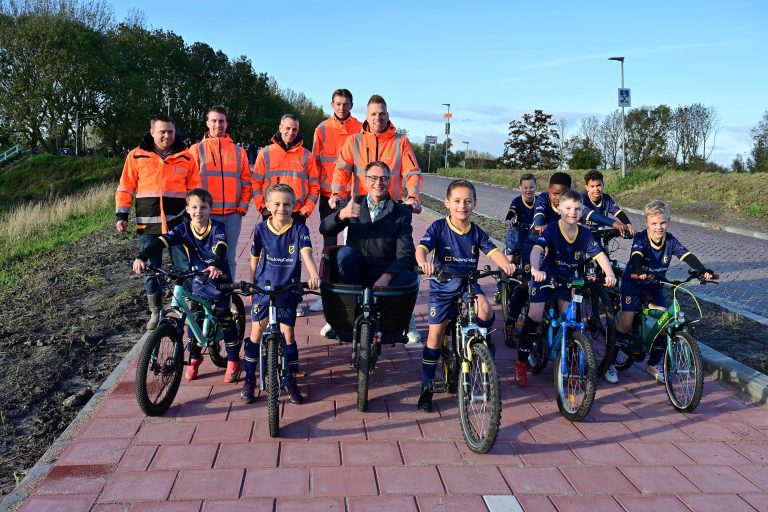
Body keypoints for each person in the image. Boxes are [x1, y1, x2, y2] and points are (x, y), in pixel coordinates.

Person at [328, 95, 423, 342]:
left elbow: (411, 171)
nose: (377, 118)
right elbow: (341, 168)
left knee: (401, 264)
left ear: (388, 115)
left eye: (381, 113)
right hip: (361, 210)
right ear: (366, 116)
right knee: (349, 258)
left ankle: (405, 319)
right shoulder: (355, 141)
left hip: (392, 213)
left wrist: (412, 196)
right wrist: (337, 194)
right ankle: (348, 315)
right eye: (373, 114)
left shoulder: (400, 141)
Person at [415, 179, 516, 412]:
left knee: (486, 310)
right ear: (447, 203)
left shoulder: (477, 231)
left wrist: (507, 266)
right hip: (443, 287)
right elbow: (422, 248)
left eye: (468, 201)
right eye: (458, 201)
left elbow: (493, 251)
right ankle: (426, 387)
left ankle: (482, 344)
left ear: (474, 204)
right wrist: (423, 261)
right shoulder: (439, 227)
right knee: (434, 337)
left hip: (469, 284)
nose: (463, 206)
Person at [132, 188, 242, 383]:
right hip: (198, 278)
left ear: (210, 209)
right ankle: (194, 357)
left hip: (218, 277)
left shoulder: (217, 228)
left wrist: (215, 263)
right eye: (194, 207)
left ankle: (233, 360)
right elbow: (162, 241)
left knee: (225, 317)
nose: (198, 211)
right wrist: (142, 256)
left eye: (203, 207)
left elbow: (221, 246)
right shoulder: (183, 228)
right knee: (193, 317)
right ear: (187, 209)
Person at [516, 189, 617, 387]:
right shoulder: (552, 229)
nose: (573, 212)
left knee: (571, 320)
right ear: (559, 209)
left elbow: (599, 255)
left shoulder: (585, 233)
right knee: (535, 315)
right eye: (568, 208)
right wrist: (535, 269)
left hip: (567, 280)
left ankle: (571, 364)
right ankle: (521, 362)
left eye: (577, 209)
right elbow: (537, 250)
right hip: (545, 276)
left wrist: (610, 273)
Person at [607, 200, 714, 384]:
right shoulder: (641, 238)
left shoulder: (670, 240)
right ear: (646, 222)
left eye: (663, 222)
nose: (659, 227)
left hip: (655, 285)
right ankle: (610, 363)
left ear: (669, 221)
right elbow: (637, 255)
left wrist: (702, 270)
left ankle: (654, 364)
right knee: (625, 323)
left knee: (665, 323)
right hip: (633, 284)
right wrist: (640, 270)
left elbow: (686, 255)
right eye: (654, 223)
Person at [116, 114, 201, 330]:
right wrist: (122, 215)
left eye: (170, 131)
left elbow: (194, 190)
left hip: (178, 224)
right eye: (162, 131)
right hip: (148, 225)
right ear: (152, 132)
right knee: (150, 268)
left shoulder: (186, 157)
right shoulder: (136, 156)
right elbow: (125, 187)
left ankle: (189, 308)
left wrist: (194, 216)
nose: (166, 136)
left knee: (184, 266)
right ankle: (156, 312)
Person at [241, 184, 321, 405]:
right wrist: (250, 281)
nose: (281, 208)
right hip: (264, 289)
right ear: (267, 206)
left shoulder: (299, 229)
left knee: (288, 334)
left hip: (288, 288)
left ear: (294, 206)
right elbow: (254, 258)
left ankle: (291, 379)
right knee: (257, 331)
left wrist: (314, 274)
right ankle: (249, 380)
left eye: (287, 204)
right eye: (276, 204)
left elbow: (306, 253)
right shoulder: (260, 229)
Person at [320, 161, 417, 288]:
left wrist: (387, 277)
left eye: (383, 178)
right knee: (345, 253)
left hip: (385, 274)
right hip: (355, 273)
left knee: (408, 277)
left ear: (389, 182)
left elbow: (405, 254)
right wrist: (342, 214)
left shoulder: (401, 213)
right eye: (373, 178)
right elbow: (324, 229)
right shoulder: (352, 204)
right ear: (365, 181)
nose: (378, 183)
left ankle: (385, 305)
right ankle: (352, 300)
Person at [309, 88, 363, 312]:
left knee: (356, 245)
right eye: (338, 104)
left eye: (345, 104)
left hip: (354, 194)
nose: (342, 108)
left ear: (351, 105)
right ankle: (326, 293)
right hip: (328, 195)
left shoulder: (360, 128)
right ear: (332, 105)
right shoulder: (322, 128)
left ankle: (354, 292)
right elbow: (315, 163)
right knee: (328, 245)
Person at [190, 106, 253, 281]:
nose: (218, 124)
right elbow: (189, 185)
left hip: (233, 214)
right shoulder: (196, 150)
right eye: (214, 120)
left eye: (222, 121)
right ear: (207, 123)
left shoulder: (239, 151)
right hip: (206, 215)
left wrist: (243, 206)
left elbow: (247, 181)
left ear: (227, 123)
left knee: (230, 258)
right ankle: (207, 297)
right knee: (205, 258)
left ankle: (229, 297)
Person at [501, 174, 537, 348]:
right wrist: (510, 219)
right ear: (520, 188)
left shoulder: (540, 202)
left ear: (536, 187)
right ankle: (504, 284)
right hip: (517, 237)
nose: (528, 190)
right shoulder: (517, 201)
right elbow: (512, 211)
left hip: (533, 241)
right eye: (525, 187)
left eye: (531, 187)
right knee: (508, 264)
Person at [581, 170, 635, 237]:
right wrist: (616, 224)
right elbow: (593, 215)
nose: (596, 189)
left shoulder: (607, 198)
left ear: (603, 184)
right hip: (583, 236)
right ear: (587, 187)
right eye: (592, 186)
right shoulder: (582, 199)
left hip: (599, 233)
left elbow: (618, 212)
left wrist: (629, 225)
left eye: (598, 185)